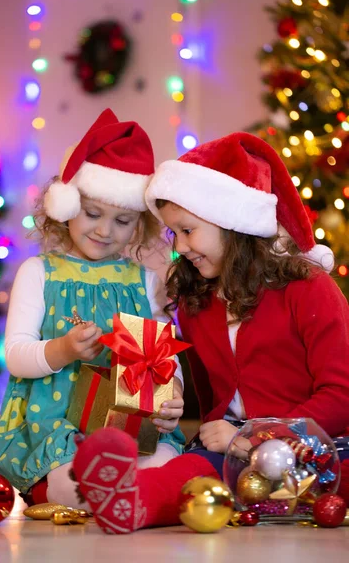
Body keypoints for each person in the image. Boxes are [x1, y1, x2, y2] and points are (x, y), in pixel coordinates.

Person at [72, 131, 349, 534]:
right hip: (232, 455)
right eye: (173, 234)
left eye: (187, 230)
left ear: (230, 223)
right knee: (190, 471)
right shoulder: (196, 302)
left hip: (317, 451)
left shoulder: (309, 288)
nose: (179, 246)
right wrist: (172, 407)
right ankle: (126, 499)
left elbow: (342, 395)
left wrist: (257, 436)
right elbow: (210, 403)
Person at [0, 109, 185, 508]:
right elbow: (15, 356)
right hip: (56, 427)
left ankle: (130, 495)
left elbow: (164, 358)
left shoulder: (144, 280)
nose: (104, 230)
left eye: (122, 220)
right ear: (67, 204)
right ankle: (96, 495)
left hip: (129, 427)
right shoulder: (39, 272)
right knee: (73, 481)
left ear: (139, 225)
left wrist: (173, 394)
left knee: (166, 465)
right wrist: (62, 349)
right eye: (93, 213)